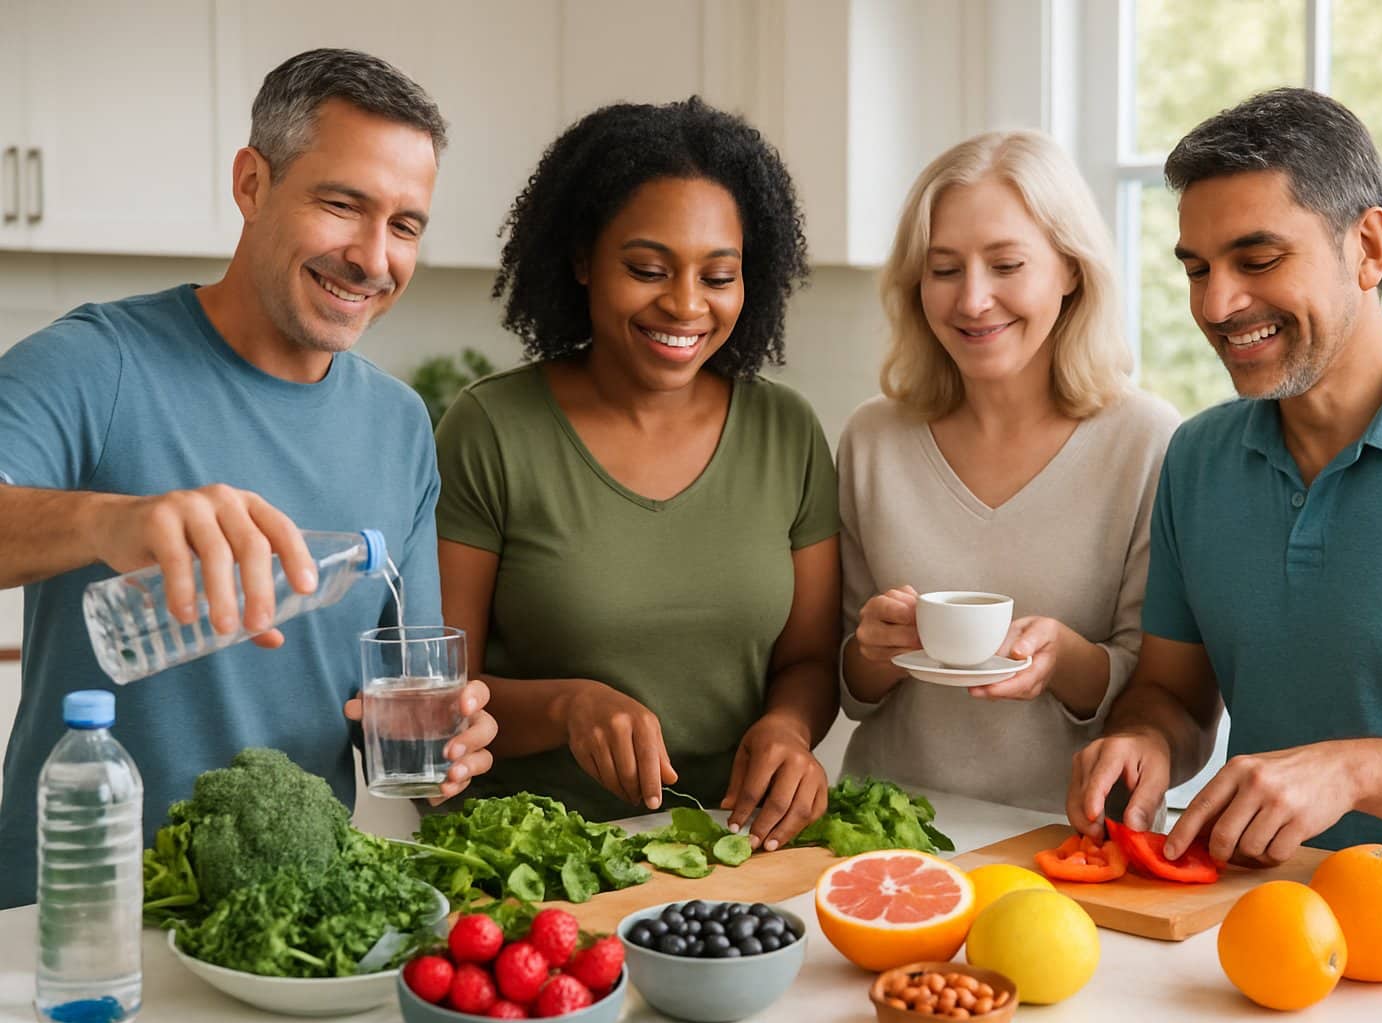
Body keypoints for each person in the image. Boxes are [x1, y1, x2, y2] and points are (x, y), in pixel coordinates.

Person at [0, 49, 498, 909]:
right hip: (74, 918)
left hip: (285, 932)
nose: (372, 257)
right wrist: (105, 522)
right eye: (342, 205)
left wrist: (447, 746)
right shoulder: (96, 363)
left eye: (406, 225)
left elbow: (401, 704)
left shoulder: (400, 424)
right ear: (252, 184)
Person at [1067, 88, 1382, 896]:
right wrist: (1146, 739)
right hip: (1261, 909)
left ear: (1369, 248)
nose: (1216, 305)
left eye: (1257, 261)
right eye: (1197, 269)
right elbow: (1172, 694)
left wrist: (1352, 772)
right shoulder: (1198, 458)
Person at [433, 97, 841, 851]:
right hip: (531, 858)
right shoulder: (491, 428)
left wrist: (788, 727)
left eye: (719, 275)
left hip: (730, 850)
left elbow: (811, 661)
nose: (685, 304)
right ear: (583, 260)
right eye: (648, 269)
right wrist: (568, 707)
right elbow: (440, 694)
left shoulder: (787, 431)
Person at [838, 131, 1181, 812]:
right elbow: (845, 685)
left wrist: (1064, 659)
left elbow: (1160, 693)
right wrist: (874, 648)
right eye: (944, 269)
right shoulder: (872, 439)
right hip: (885, 827)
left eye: (1006, 265)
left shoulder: (1146, 441)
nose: (972, 300)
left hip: (1065, 836)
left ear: (1071, 270)